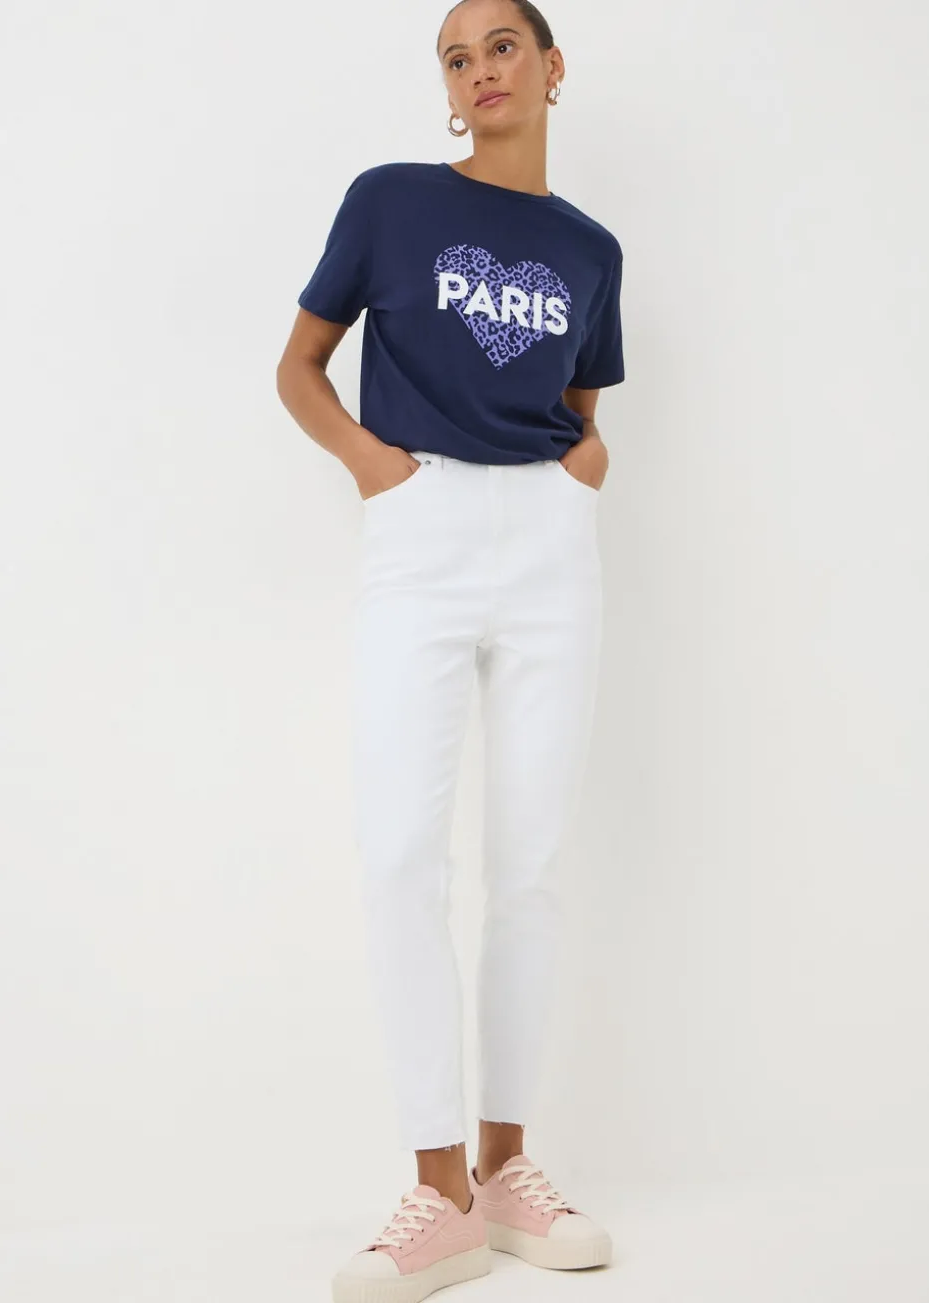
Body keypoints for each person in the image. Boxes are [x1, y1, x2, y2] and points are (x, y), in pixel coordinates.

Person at [276, 1, 625, 1297]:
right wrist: (374, 467)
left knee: (527, 865)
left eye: (501, 46)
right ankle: (436, 1192)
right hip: (418, 531)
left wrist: (582, 469)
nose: (479, 69)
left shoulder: (590, 249)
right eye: (455, 56)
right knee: (399, 854)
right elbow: (300, 366)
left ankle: (505, 1169)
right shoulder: (391, 201)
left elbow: (581, 400)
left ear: (552, 67)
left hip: (548, 546)